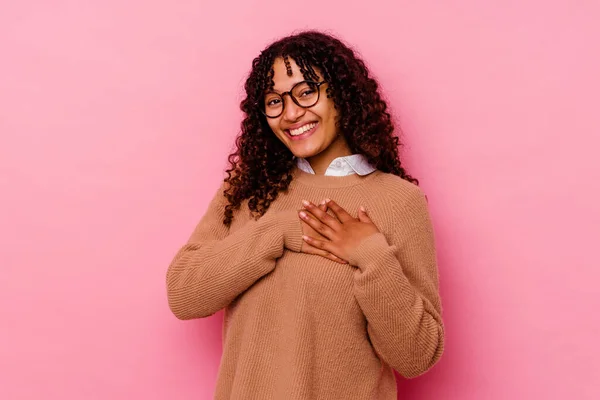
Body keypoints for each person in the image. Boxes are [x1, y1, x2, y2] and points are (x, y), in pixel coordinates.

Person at [166, 30, 444, 399]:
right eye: (274, 101)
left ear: (341, 94)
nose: (292, 113)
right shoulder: (249, 189)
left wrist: (372, 256)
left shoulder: (397, 201)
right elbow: (184, 295)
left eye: (306, 91)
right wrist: (278, 230)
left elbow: (416, 356)